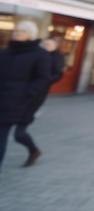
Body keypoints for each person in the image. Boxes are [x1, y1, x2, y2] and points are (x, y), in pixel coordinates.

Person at [0, 20, 51, 172]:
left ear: (31, 35)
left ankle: (33, 150)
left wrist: (28, 93)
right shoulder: (6, 52)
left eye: (22, 31)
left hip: (20, 102)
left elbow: (43, 78)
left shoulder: (40, 55)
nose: (17, 33)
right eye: (16, 30)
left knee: (8, 135)